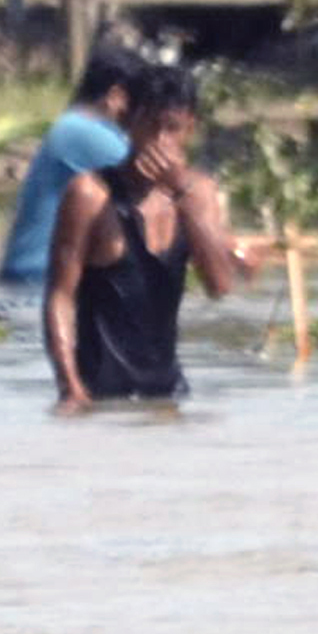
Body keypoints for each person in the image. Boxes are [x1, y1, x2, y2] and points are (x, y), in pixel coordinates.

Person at [42, 64, 254, 412]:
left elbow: (220, 285)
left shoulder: (198, 192)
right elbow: (60, 296)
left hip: (168, 393)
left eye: (172, 129)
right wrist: (70, 388)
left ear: (191, 128)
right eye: (150, 127)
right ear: (127, 123)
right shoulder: (90, 195)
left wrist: (182, 193)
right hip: (100, 395)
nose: (160, 143)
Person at [0, 49, 139, 288]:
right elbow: (161, 181)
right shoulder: (87, 133)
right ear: (117, 97)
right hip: (39, 280)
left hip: (29, 277)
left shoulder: (71, 126)